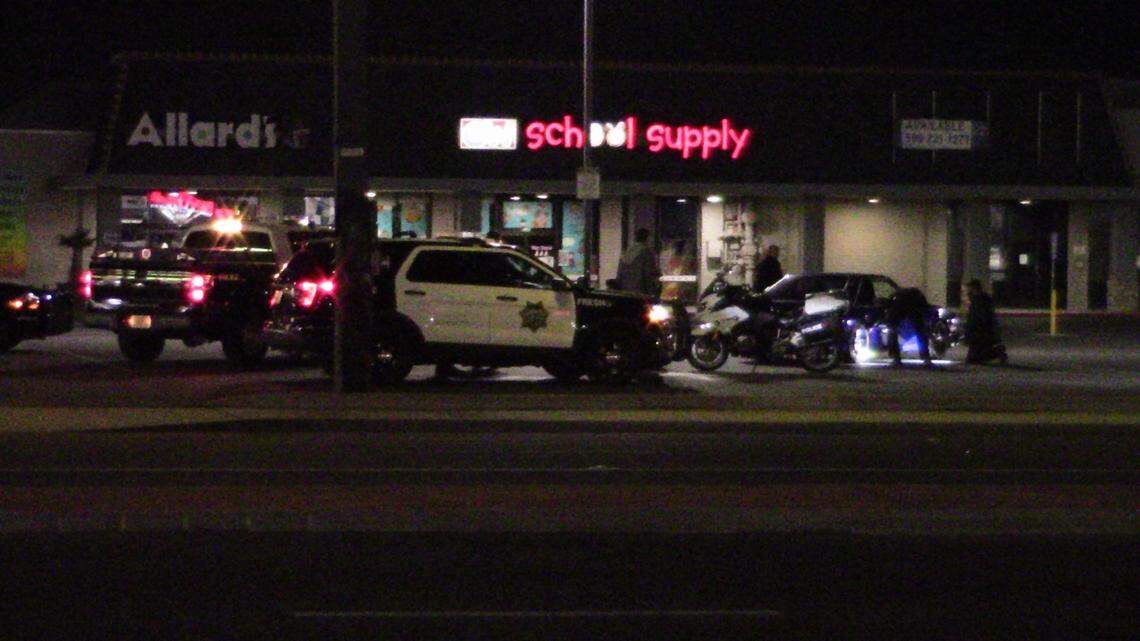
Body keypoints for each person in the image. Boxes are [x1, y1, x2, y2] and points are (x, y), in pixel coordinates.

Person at [884, 287, 932, 366]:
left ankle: (896, 358)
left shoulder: (896, 302)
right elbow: (924, 312)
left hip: (906, 310)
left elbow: (892, 322)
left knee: (892, 332)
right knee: (920, 333)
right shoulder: (916, 298)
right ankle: (926, 358)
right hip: (913, 310)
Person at [964, 279, 1008, 364]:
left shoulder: (979, 299)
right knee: (976, 352)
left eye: (969, 288)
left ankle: (997, 352)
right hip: (978, 328)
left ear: (974, 288)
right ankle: (995, 353)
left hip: (980, 329)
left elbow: (979, 315)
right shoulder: (978, 299)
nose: (967, 290)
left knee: (977, 350)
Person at [616, 228, 661, 296]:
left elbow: (619, 274)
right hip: (640, 292)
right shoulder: (646, 253)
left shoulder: (627, 252)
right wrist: (653, 292)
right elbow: (649, 275)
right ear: (647, 239)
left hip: (625, 291)